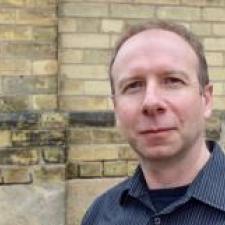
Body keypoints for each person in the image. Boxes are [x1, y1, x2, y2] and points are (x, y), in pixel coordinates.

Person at [81, 20, 225, 225]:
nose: (151, 102)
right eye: (133, 85)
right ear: (116, 108)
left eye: (173, 81)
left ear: (207, 99)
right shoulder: (100, 214)